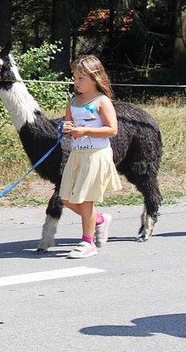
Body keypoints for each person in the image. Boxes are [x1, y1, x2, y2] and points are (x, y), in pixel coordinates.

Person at [59, 55, 122, 259]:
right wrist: (66, 128)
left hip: (96, 155)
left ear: (95, 78)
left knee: (86, 199)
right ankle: (100, 220)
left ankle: (87, 242)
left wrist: (85, 131)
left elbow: (112, 130)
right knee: (66, 198)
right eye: (74, 77)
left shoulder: (101, 101)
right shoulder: (73, 102)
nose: (75, 82)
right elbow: (68, 127)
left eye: (80, 78)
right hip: (77, 155)